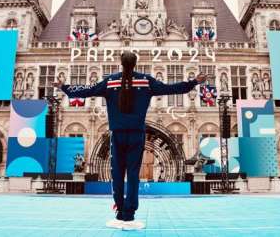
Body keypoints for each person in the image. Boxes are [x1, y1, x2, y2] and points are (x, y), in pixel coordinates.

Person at [52, 52, 206, 230]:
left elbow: (86, 91)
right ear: (135, 64)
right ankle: (130, 214)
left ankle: (119, 212)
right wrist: (194, 81)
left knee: (117, 173)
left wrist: (64, 87)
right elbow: (172, 88)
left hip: (117, 133)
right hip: (136, 133)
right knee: (133, 175)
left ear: (121, 63)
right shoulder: (146, 81)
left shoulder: (110, 81)